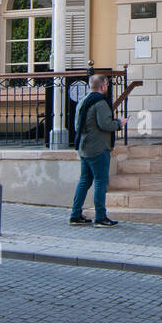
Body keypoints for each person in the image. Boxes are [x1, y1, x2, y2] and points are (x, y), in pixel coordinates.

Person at [69, 73, 127, 226]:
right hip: (98, 148)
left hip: (84, 146)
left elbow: (77, 125)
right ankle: (100, 217)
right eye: (107, 85)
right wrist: (119, 123)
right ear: (102, 86)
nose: (107, 87)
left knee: (84, 181)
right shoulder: (101, 103)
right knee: (101, 182)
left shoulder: (82, 101)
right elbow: (105, 124)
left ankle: (75, 215)